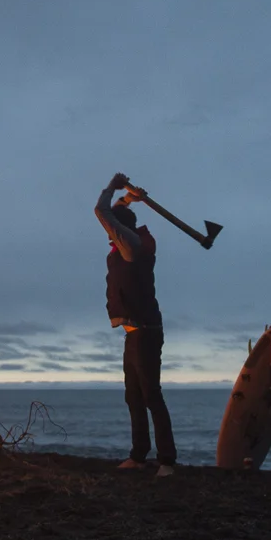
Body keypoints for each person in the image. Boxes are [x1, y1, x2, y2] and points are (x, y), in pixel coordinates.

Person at [95, 171, 177, 477]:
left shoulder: (130, 245)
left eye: (112, 228)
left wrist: (112, 186)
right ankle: (139, 456)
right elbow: (114, 212)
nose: (107, 233)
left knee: (151, 395)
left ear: (120, 229)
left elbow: (103, 211)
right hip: (134, 332)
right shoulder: (126, 242)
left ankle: (167, 461)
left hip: (145, 332)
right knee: (134, 396)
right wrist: (129, 197)